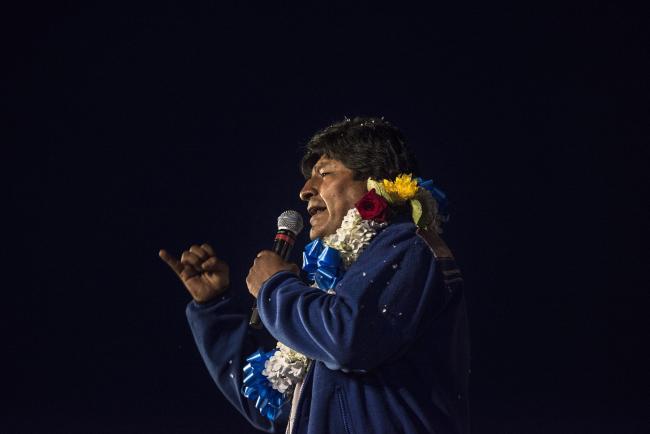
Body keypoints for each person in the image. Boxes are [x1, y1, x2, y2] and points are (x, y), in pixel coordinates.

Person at [159, 117, 470, 434]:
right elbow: (271, 408)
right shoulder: (331, 285)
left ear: (374, 182)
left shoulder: (410, 247)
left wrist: (275, 285)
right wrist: (214, 307)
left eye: (324, 174)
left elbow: (349, 341)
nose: (305, 191)